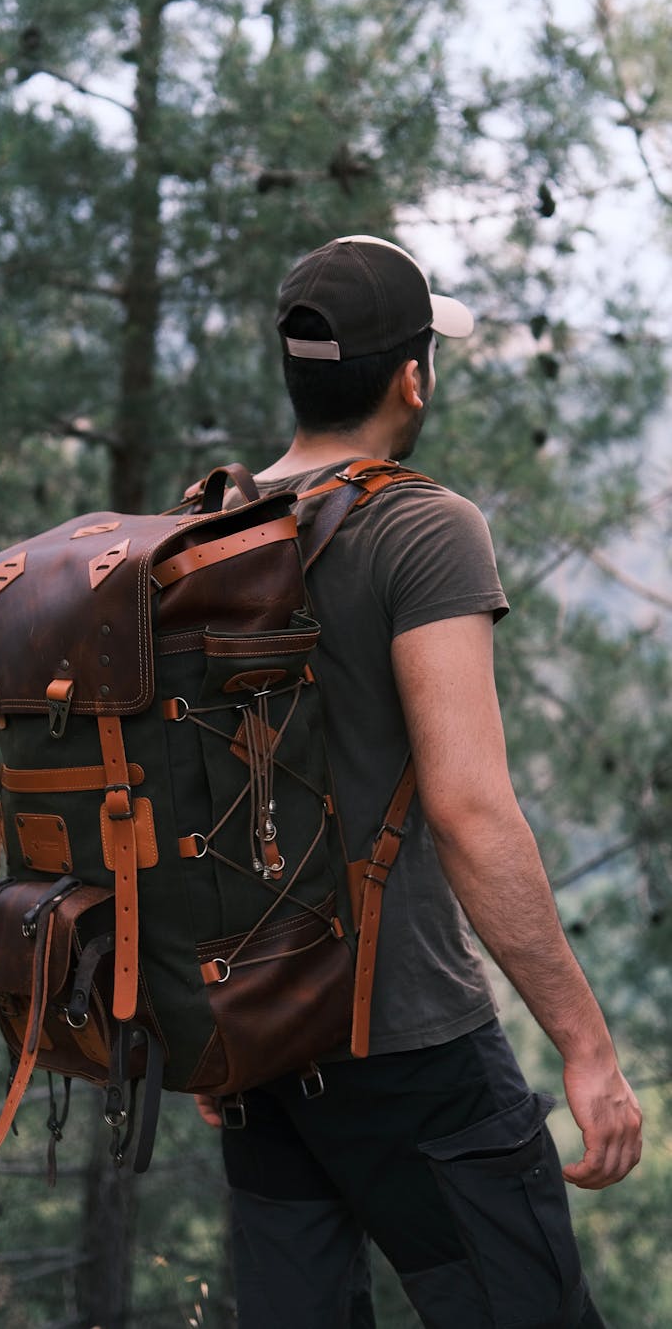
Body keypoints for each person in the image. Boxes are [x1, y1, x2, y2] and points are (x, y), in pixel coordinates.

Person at [193, 235, 642, 1328]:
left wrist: (199, 1010)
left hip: (258, 1037)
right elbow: (471, 808)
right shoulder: (422, 525)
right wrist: (587, 1047)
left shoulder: (209, 526)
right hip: (410, 1042)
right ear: (413, 376)